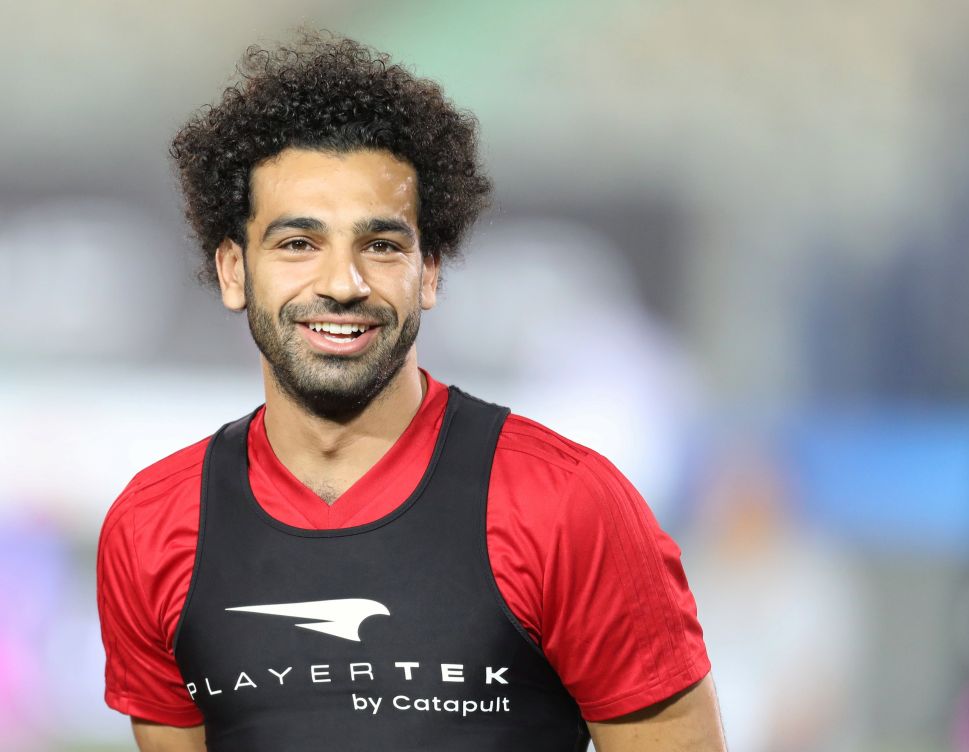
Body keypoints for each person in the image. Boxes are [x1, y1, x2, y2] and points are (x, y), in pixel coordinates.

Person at [96, 30, 727, 752]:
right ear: (234, 271)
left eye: (382, 245)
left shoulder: (571, 506)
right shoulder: (151, 527)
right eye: (298, 243)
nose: (342, 282)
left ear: (429, 272)